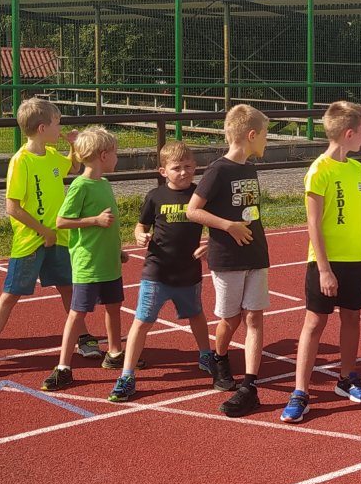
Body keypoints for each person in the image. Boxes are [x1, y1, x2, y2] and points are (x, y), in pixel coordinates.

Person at [0, 97, 99, 384]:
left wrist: (73, 145)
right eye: (57, 123)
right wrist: (43, 231)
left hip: (58, 237)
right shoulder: (21, 161)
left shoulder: (51, 154)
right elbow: (13, 207)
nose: (61, 128)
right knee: (9, 296)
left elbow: (72, 167)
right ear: (43, 128)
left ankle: (83, 337)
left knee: (68, 288)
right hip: (31, 241)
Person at [282, 102, 361, 423]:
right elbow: (313, 223)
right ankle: (300, 391)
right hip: (325, 262)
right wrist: (324, 269)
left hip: (355, 260)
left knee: (352, 318)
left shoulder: (357, 169)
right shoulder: (319, 170)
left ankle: (347, 378)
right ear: (349, 133)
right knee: (314, 323)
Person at [110, 140, 220, 403]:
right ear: (163, 171)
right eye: (176, 168)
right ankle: (127, 375)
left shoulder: (199, 196)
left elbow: (217, 227)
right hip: (156, 272)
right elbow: (140, 226)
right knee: (142, 321)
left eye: (188, 167)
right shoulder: (155, 196)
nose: (183, 172)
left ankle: (206, 354)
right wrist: (139, 235)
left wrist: (209, 245)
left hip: (188, 272)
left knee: (196, 314)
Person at [187, 104, 271, 417]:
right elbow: (193, 210)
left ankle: (249, 385)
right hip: (228, 258)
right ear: (251, 135)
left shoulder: (250, 168)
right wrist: (227, 228)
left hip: (256, 254)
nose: (266, 140)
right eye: (265, 135)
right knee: (230, 320)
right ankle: (220, 357)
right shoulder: (218, 170)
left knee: (254, 318)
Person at [46, 126, 127, 392]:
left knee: (113, 307)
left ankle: (114, 353)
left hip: (109, 262)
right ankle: (63, 367)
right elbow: (61, 221)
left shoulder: (104, 184)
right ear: (103, 155)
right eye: (115, 153)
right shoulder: (80, 186)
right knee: (77, 313)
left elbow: (111, 225)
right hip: (88, 264)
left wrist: (116, 249)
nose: (117, 158)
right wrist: (95, 220)